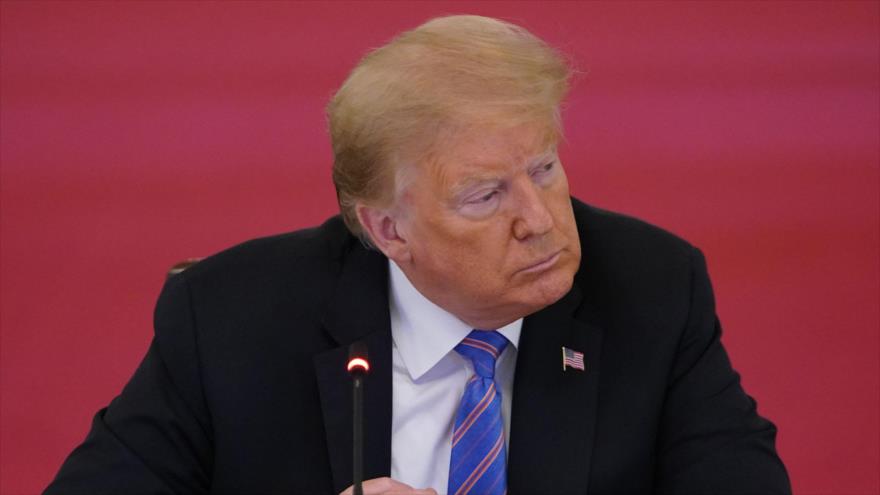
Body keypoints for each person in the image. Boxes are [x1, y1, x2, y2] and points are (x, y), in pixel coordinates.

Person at [45, 15, 790, 495]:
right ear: (389, 231)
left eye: (544, 170)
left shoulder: (652, 288)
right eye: (485, 196)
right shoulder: (229, 318)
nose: (539, 220)